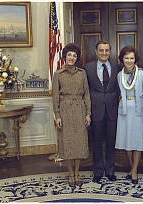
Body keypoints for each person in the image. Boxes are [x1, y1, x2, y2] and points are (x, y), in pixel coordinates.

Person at [52, 44, 91, 187]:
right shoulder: (58, 74)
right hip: (65, 111)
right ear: (64, 56)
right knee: (67, 143)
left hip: (80, 109)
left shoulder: (82, 73)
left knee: (79, 143)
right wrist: (57, 116)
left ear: (77, 58)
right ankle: (70, 173)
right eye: (69, 55)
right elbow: (55, 96)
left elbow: (87, 93)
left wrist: (88, 114)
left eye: (74, 55)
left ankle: (77, 172)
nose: (71, 58)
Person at [84, 41, 121, 183]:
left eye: (106, 50)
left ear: (110, 51)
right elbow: (83, 89)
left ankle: (111, 171)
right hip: (96, 110)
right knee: (97, 143)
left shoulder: (118, 67)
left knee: (111, 142)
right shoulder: (87, 68)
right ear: (96, 51)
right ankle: (98, 171)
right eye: (101, 50)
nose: (104, 53)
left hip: (113, 110)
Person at [115, 46, 143, 184]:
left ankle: (134, 169)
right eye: (126, 58)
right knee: (127, 141)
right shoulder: (119, 75)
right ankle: (131, 166)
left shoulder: (142, 75)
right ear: (122, 59)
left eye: (131, 58)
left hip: (138, 112)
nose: (129, 61)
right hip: (124, 112)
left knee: (137, 141)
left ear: (135, 59)